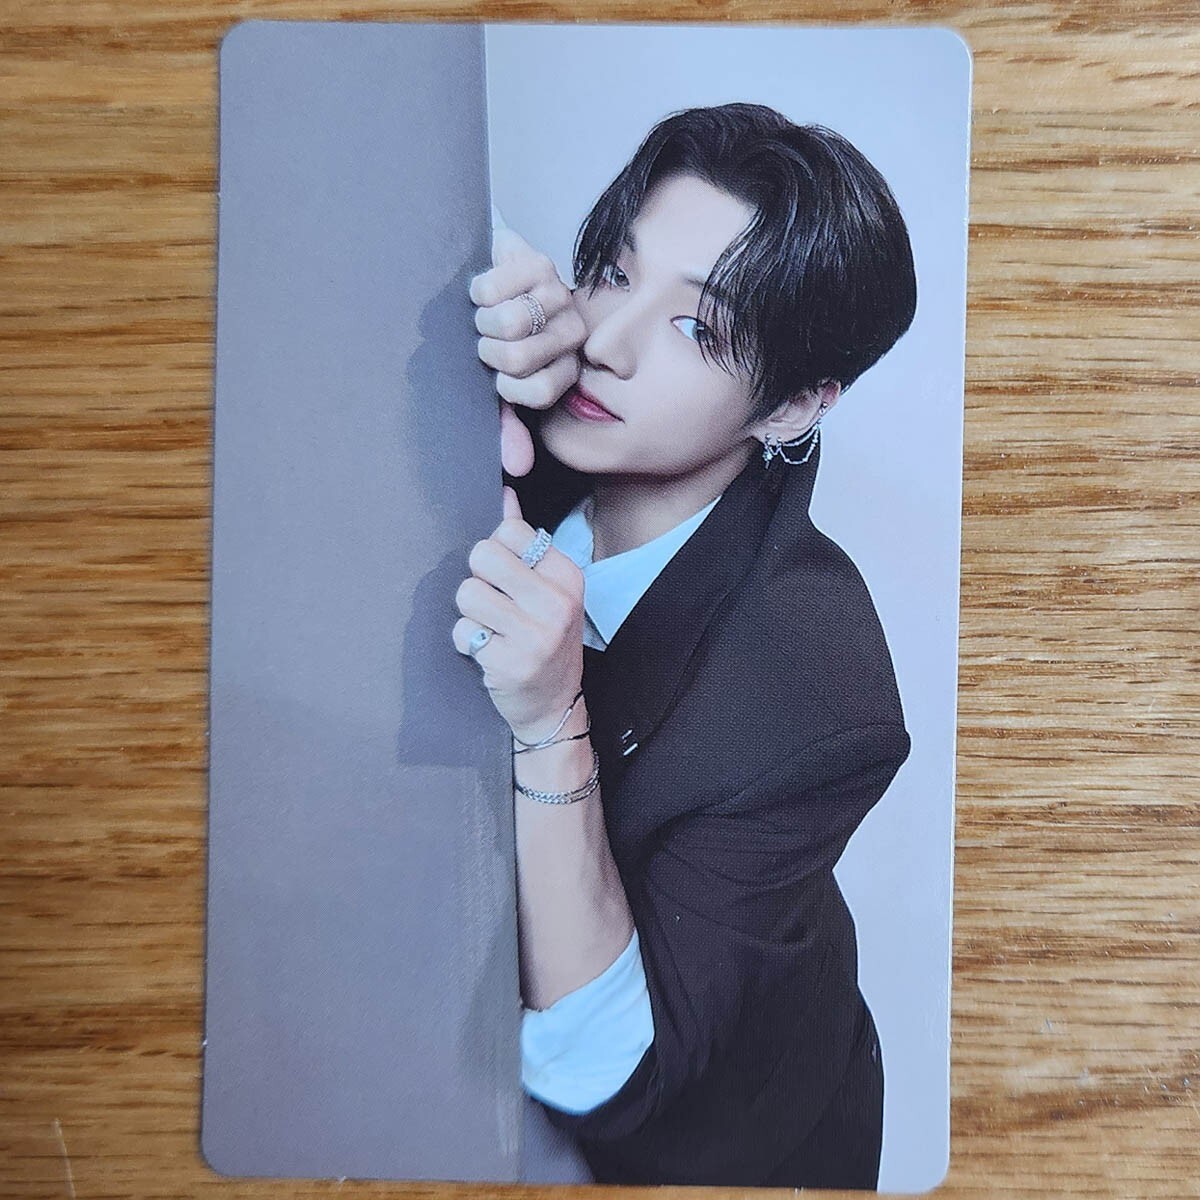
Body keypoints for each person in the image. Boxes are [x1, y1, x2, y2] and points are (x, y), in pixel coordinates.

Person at [451, 103, 917, 1188]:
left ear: (793, 405)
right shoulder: (521, 414)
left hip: (736, 1147)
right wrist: (476, 277)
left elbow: (607, 1074)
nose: (606, 343)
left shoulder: (816, 688)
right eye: (614, 273)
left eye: (697, 329)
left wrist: (552, 723)